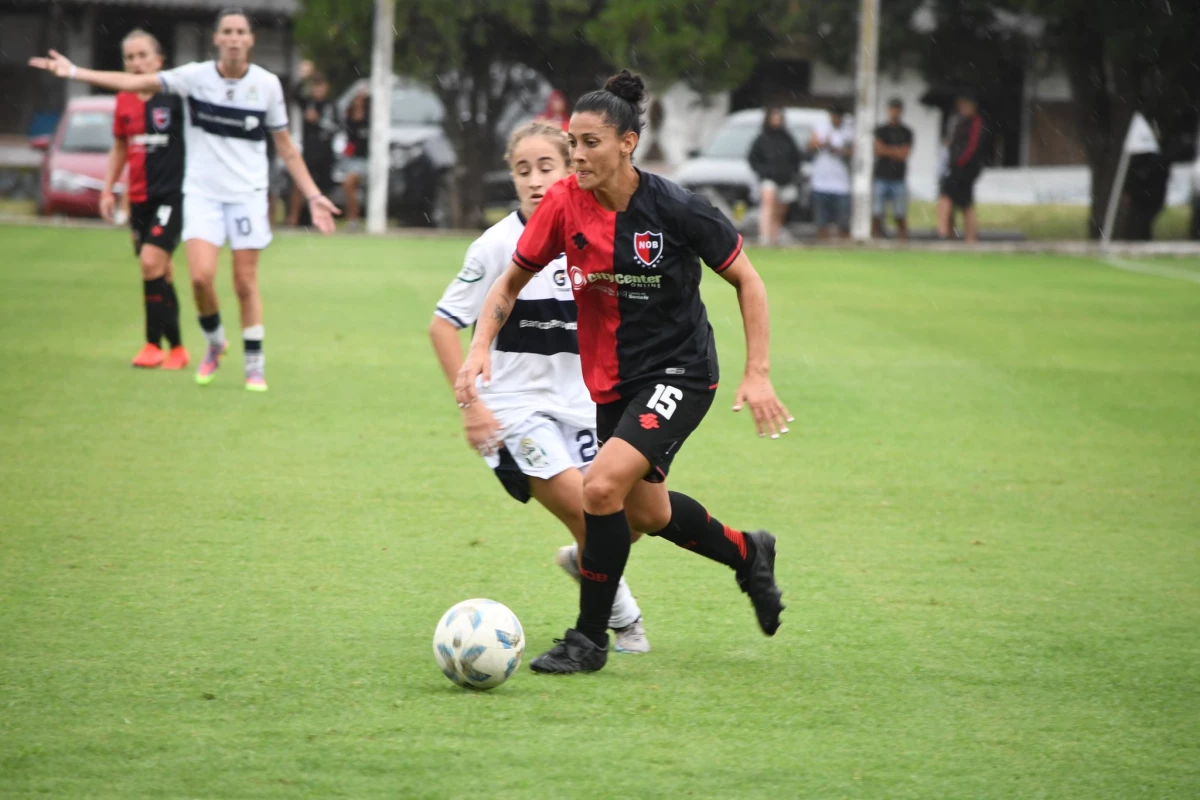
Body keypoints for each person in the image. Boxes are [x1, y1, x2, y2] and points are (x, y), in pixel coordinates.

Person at [456, 70, 791, 676]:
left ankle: (588, 642)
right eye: (573, 143)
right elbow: (510, 281)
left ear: (627, 144)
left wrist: (758, 373)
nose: (576, 156)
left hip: (682, 372)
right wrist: (480, 347)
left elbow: (748, 279)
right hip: (612, 383)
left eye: (589, 143)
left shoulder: (675, 208)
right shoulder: (562, 207)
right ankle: (748, 552)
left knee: (600, 487)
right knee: (648, 515)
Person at [30, 8, 340, 392]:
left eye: (240, 31)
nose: (233, 38)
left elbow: (287, 148)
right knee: (199, 278)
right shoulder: (195, 78)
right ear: (216, 38)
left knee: (245, 282)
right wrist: (75, 73)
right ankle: (214, 343)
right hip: (202, 195)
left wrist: (314, 196)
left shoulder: (267, 85)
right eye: (226, 31)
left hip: (247, 196)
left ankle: (254, 364)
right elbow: (132, 81)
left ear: (250, 40)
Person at [429, 121, 650, 654]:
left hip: (586, 407)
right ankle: (625, 624)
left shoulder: (597, 235)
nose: (533, 180)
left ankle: (585, 567)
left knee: (634, 519)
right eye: (522, 170)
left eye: (545, 167)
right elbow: (442, 325)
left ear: (571, 166)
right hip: (513, 411)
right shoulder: (494, 248)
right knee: (586, 513)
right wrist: (472, 408)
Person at [98, 29, 188, 370]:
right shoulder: (124, 99)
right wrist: (109, 190)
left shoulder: (176, 96)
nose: (136, 64)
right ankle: (177, 348)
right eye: (130, 58)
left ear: (159, 61)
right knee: (160, 273)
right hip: (139, 200)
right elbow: (120, 146)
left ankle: (152, 344)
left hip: (172, 197)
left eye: (142, 56)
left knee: (150, 263)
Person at [287, 72, 337, 227]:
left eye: (320, 87)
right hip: (308, 152)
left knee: (324, 188)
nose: (317, 90)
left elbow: (338, 127)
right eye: (314, 87)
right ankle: (293, 219)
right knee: (300, 184)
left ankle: (324, 220)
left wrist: (319, 121)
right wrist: (303, 77)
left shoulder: (331, 105)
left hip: (326, 153)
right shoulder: (307, 103)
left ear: (326, 88)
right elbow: (292, 94)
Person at [748, 106, 802, 247]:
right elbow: (753, 158)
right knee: (767, 204)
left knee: (780, 211)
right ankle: (764, 237)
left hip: (785, 179)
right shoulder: (762, 138)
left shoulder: (787, 138)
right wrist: (763, 171)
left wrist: (792, 173)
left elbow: (796, 158)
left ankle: (775, 237)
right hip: (768, 178)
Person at [938, 94, 985, 243]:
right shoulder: (958, 122)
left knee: (965, 204)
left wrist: (960, 162)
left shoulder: (976, 122)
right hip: (954, 167)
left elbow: (972, 147)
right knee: (948, 198)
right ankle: (945, 233)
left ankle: (969, 237)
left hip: (965, 169)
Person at [809, 104, 854, 240]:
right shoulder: (821, 128)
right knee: (821, 221)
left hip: (841, 184)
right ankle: (823, 248)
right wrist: (824, 143)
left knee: (843, 222)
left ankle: (843, 250)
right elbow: (810, 145)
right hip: (821, 182)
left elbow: (854, 151)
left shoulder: (849, 131)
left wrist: (839, 150)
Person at [872, 98, 914, 240]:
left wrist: (888, 150)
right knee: (877, 212)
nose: (894, 112)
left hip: (898, 177)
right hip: (881, 176)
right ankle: (875, 238)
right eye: (892, 109)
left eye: (897, 109)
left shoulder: (906, 132)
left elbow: (904, 154)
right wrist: (896, 150)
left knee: (900, 213)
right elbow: (878, 150)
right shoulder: (881, 130)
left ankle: (902, 240)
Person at [341, 89, 370, 228]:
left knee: (349, 183)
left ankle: (354, 218)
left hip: (366, 160)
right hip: (351, 160)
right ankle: (353, 219)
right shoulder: (349, 120)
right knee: (348, 185)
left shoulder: (371, 119)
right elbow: (351, 143)